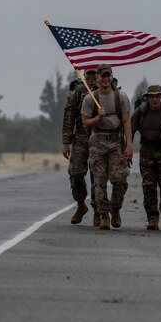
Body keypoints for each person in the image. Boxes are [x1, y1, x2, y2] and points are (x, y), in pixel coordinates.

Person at [81, 64, 133, 230]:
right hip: (97, 142)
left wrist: (129, 146)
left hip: (116, 141)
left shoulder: (121, 97)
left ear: (111, 77)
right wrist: (98, 117)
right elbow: (85, 124)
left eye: (107, 76)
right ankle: (103, 214)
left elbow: (126, 121)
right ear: (97, 77)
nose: (105, 79)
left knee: (120, 178)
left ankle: (115, 208)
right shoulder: (90, 98)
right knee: (99, 180)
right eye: (102, 76)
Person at [131, 85, 161, 230]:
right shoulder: (141, 112)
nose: (155, 99)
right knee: (148, 186)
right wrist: (128, 149)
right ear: (147, 98)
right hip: (147, 151)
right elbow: (130, 129)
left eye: (157, 96)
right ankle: (152, 218)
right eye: (151, 96)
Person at [62, 68, 99, 226]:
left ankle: (98, 211)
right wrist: (66, 142)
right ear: (84, 75)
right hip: (80, 139)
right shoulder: (76, 94)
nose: (91, 76)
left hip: (99, 139)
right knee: (76, 173)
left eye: (94, 73)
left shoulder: (106, 92)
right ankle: (80, 204)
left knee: (98, 176)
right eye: (88, 73)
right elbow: (68, 118)